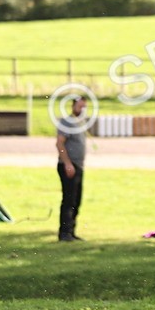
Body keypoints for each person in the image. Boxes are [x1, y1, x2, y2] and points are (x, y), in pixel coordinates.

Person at [55, 96, 88, 242]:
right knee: (69, 200)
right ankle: (64, 233)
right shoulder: (67, 122)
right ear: (73, 106)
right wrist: (67, 163)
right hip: (69, 166)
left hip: (78, 166)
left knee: (76, 200)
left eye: (84, 107)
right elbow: (60, 144)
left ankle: (71, 231)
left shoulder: (80, 122)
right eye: (80, 107)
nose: (82, 110)